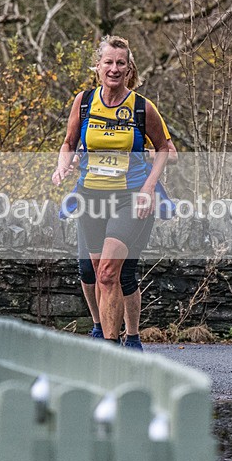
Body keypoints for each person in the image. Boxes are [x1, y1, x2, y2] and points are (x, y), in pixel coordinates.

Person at [52, 35, 169, 344]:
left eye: (121, 63)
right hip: (91, 197)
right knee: (96, 276)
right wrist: (63, 164)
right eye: (108, 62)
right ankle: (114, 341)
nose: (114, 69)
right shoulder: (85, 101)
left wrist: (148, 188)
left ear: (129, 69)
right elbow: (68, 141)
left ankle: (113, 348)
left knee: (108, 273)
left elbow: (163, 150)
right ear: (98, 66)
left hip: (129, 198)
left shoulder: (142, 108)